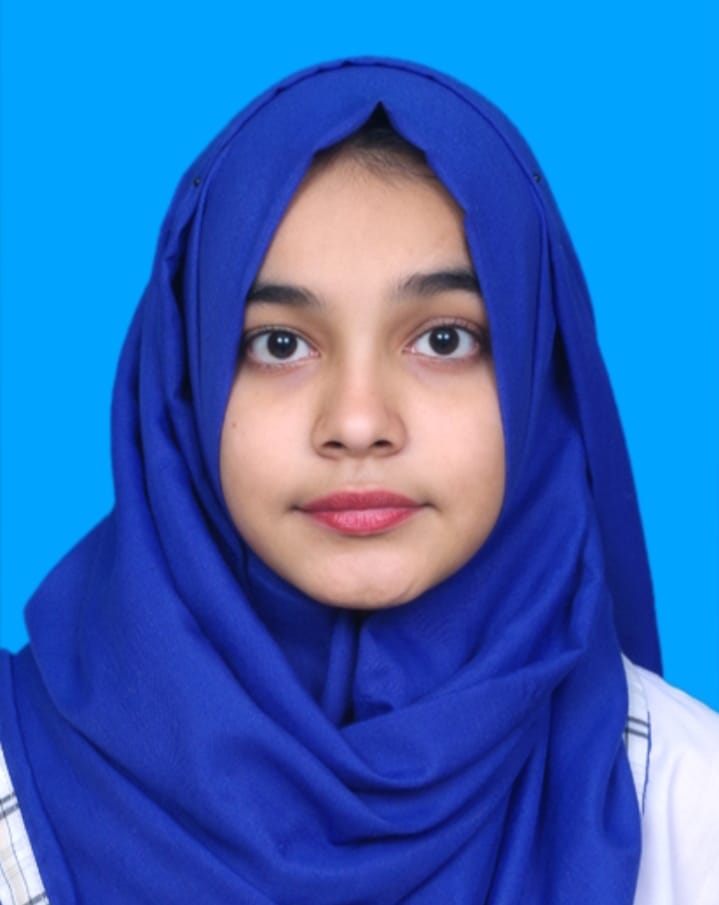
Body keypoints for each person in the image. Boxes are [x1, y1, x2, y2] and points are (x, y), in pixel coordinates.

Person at [0, 57, 717, 905]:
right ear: (185, 388)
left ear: (536, 381)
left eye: (444, 339)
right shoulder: (17, 776)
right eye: (279, 343)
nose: (357, 420)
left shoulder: (689, 805)